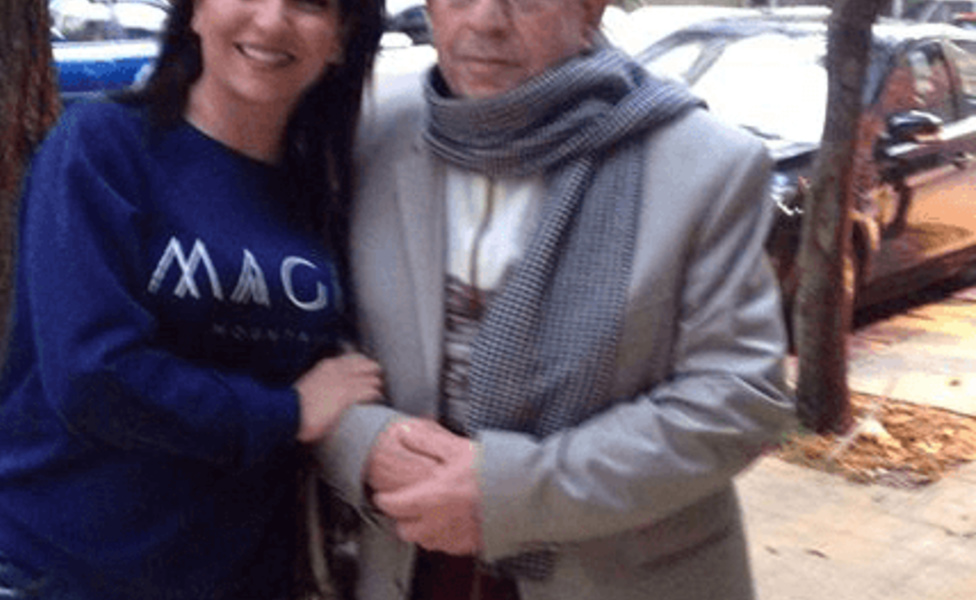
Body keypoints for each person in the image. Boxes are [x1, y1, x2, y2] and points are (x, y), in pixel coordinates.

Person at [314, 0, 798, 599]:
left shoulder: (705, 165)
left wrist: (508, 495)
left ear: (590, 11)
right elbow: (310, 327)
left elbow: (737, 399)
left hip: (615, 577)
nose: (486, 20)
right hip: (408, 563)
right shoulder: (372, 132)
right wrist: (362, 442)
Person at [0, 0, 384, 598]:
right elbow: (93, 376)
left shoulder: (323, 191)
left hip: (234, 581)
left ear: (340, 39)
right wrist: (285, 412)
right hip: (53, 573)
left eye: (308, 3)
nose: (272, 19)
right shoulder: (103, 146)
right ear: (195, 12)